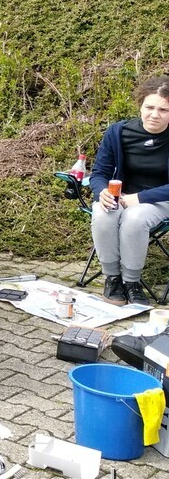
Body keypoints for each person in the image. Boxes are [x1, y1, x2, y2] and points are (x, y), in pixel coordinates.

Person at [89, 76, 169, 307]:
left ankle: (132, 282)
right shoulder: (119, 132)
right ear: (140, 106)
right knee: (103, 213)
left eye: (163, 109)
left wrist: (140, 198)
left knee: (135, 218)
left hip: (161, 198)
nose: (155, 114)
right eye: (150, 107)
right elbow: (99, 172)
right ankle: (112, 278)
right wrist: (101, 191)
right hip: (122, 196)